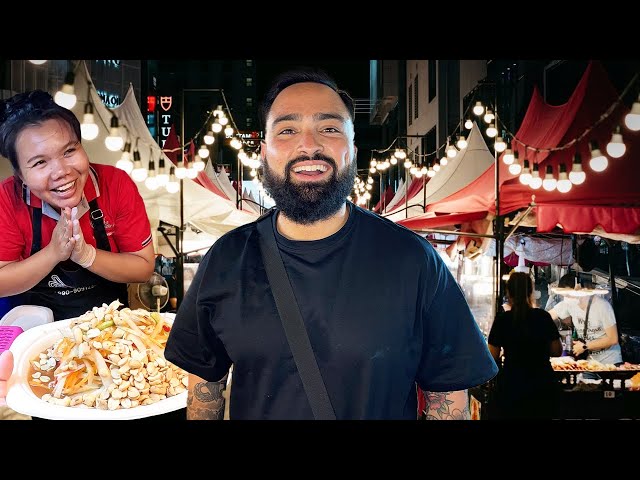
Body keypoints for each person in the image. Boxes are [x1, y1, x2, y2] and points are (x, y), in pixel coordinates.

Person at [164, 68, 498, 420]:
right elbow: (204, 390)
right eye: (288, 129)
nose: (309, 145)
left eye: (329, 128)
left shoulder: (414, 260)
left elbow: (448, 399)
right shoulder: (225, 260)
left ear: (352, 150)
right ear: (263, 151)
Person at [0, 90, 155, 411]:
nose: (61, 171)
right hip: (34, 342)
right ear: (20, 175)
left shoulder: (116, 184)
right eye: (40, 162)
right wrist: (54, 252)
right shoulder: (7, 199)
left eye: (69, 151)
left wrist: (86, 254)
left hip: (109, 337)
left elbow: (142, 268)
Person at [488, 272, 563, 419]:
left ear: (508, 292)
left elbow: (492, 355)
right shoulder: (543, 316)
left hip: (513, 386)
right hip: (542, 386)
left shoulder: (503, 319)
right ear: (531, 292)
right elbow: (557, 351)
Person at [548, 272, 622, 365]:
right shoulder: (569, 303)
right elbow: (546, 317)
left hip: (610, 361)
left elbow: (613, 339)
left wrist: (584, 347)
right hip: (588, 362)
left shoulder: (602, 306)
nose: (567, 298)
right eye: (565, 296)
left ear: (580, 289)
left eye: (569, 295)